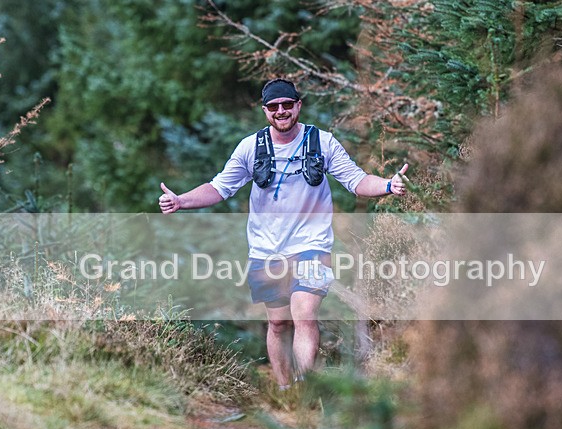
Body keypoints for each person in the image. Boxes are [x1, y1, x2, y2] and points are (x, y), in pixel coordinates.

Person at [159, 78, 407, 389]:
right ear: (265, 111)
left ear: (298, 106)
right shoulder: (251, 147)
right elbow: (219, 188)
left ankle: (303, 388)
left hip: (312, 246)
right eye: (274, 107)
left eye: (287, 105)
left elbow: (356, 180)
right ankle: (284, 389)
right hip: (266, 249)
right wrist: (181, 201)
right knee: (277, 323)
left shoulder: (323, 142)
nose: (281, 111)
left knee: (304, 315)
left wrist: (388, 185)